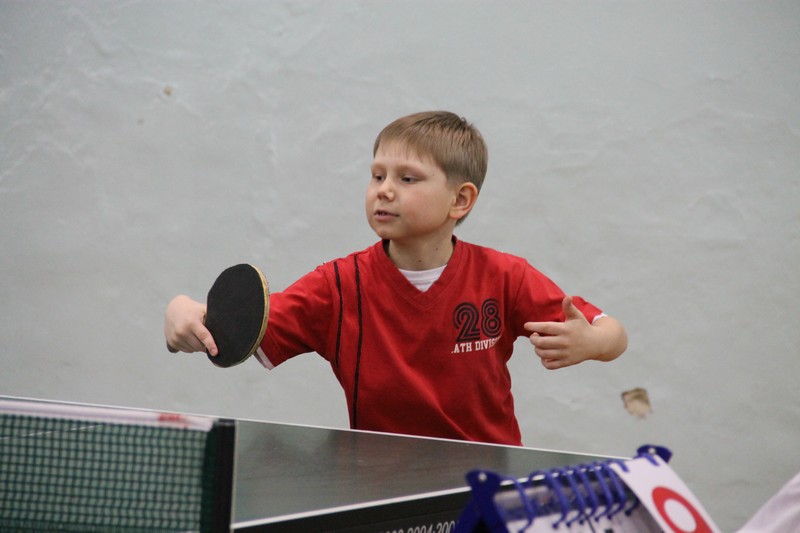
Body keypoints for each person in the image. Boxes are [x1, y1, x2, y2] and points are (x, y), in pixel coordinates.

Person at [164, 111, 627, 446]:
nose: (384, 189)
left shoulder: (505, 276)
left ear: (460, 200)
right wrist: (183, 311)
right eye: (377, 175)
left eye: (407, 179)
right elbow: (240, 327)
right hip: (381, 489)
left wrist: (593, 342)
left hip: (486, 488)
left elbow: (612, 333)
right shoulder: (337, 286)